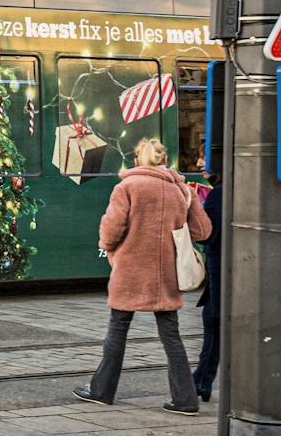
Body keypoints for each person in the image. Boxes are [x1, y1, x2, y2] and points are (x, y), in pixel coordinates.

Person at [75, 137, 211, 414]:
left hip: (130, 271)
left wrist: (108, 247)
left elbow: (111, 231)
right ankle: (185, 398)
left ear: (137, 160)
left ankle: (102, 390)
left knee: (117, 330)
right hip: (166, 275)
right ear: (163, 160)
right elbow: (203, 231)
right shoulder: (181, 191)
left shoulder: (126, 187)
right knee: (171, 336)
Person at [193, 175, 224, 402]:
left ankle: (202, 381)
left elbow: (207, 235)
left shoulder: (218, 194)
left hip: (220, 266)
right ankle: (202, 380)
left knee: (214, 322)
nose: (202, 165)